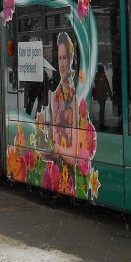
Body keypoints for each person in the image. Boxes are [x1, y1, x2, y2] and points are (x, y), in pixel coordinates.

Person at [51, 32, 78, 166]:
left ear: (71, 59)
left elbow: (75, 156)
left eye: (65, 57)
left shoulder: (74, 97)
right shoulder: (55, 97)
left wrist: (58, 149)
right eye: (59, 58)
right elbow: (53, 141)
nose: (62, 63)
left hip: (70, 174)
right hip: (57, 169)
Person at [92, 64, 112, 129]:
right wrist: (110, 94)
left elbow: (93, 86)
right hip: (102, 95)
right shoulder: (103, 76)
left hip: (98, 95)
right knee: (102, 109)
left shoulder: (96, 75)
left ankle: (101, 123)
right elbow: (107, 86)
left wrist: (94, 95)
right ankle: (101, 124)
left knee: (101, 109)